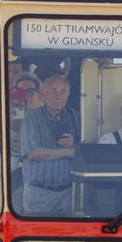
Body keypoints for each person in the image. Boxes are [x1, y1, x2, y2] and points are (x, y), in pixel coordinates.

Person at [20, 73, 79, 214]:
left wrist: (73, 145)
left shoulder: (75, 118)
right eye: (53, 92)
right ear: (43, 95)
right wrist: (68, 152)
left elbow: (84, 152)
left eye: (62, 92)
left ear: (68, 95)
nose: (58, 97)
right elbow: (33, 153)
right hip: (39, 195)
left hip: (68, 195)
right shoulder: (31, 117)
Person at [8, 73, 42, 209]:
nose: (26, 97)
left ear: (39, 94)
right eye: (22, 92)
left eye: (31, 92)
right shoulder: (6, 118)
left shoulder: (45, 121)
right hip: (8, 177)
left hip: (34, 179)